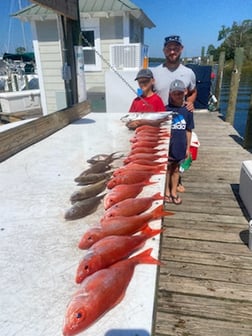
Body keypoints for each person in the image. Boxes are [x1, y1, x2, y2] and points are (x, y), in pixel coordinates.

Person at [164, 79, 194, 205]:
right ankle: (165, 192)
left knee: (176, 170)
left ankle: (173, 192)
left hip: (180, 146)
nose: (178, 96)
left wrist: (188, 147)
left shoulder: (188, 111)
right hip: (167, 147)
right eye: (175, 93)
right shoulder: (165, 109)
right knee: (166, 170)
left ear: (185, 93)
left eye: (180, 93)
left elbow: (188, 130)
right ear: (170, 94)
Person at [152, 35, 197, 111]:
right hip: (159, 117)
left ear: (181, 49)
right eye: (169, 49)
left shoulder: (189, 73)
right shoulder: (154, 73)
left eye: (175, 49)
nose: (172, 52)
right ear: (164, 50)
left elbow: (193, 92)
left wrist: (190, 102)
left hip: (180, 117)